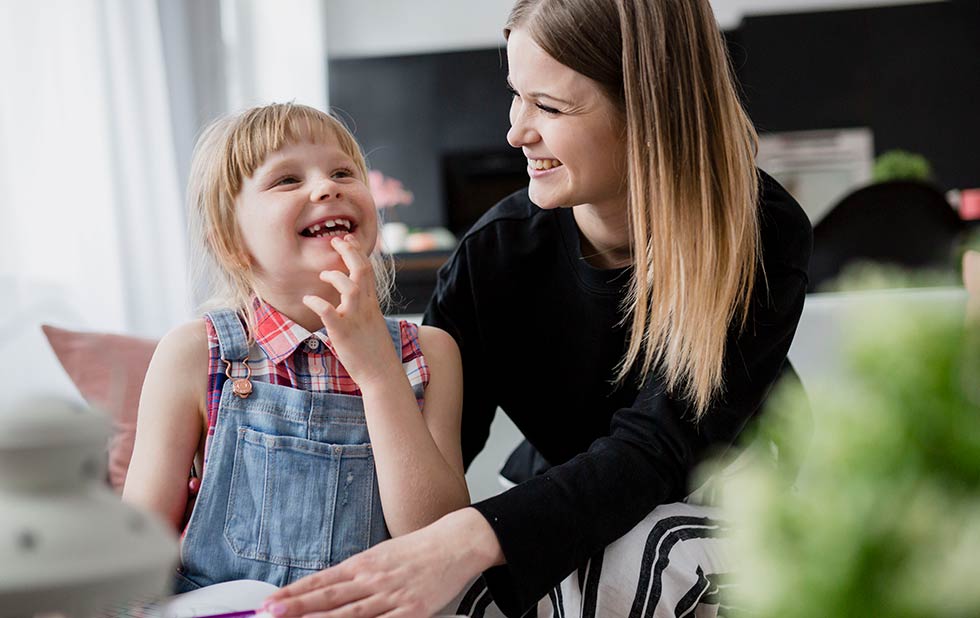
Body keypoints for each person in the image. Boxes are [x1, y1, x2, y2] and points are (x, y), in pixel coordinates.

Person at [264, 0, 812, 616]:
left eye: (548, 107)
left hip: (733, 493)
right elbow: (427, 466)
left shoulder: (758, 230)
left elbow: (658, 449)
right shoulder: (492, 260)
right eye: (515, 95)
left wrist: (475, 536)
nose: (516, 131)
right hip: (557, 487)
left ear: (650, 114)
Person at [122, 103, 468, 591]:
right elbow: (134, 550)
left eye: (344, 172)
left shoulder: (428, 353)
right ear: (230, 241)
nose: (327, 187)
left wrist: (377, 374)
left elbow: (437, 540)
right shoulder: (195, 354)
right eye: (286, 180)